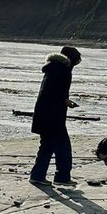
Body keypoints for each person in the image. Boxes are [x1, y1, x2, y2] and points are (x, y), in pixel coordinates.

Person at [29, 45, 82, 186]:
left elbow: (50, 92)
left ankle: (39, 175)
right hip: (53, 116)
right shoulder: (64, 70)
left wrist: (65, 100)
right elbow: (55, 94)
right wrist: (64, 101)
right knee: (62, 147)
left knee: (48, 145)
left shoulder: (53, 67)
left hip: (44, 114)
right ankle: (61, 177)